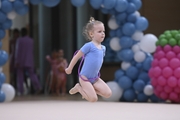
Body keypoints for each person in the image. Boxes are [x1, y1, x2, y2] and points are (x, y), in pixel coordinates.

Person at [65, 17, 112, 102]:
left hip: (95, 78)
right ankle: (79, 88)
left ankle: (89, 90)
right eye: (99, 31)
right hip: (85, 78)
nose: (103, 34)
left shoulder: (103, 48)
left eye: (103, 31)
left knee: (108, 94)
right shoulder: (89, 46)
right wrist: (69, 68)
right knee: (93, 99)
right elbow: (76, 56)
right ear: (91, 34)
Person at [15, 27, 41, 95]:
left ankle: (21, 91)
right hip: (29, 60)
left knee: (20, 76)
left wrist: (17, 61)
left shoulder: (19, 40)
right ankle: (38, 87)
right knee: (32, 75)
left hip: (21, 60)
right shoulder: (31, 40)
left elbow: (18, 51)